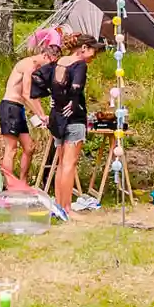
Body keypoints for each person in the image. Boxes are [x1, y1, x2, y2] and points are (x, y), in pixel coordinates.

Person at [0, 30, 61, 187]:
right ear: (45, 56)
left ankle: (23, 182)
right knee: (11, 149)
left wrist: (43, 115)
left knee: (29, 147)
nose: (52, 66)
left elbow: (34, 96)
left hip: (19, 109)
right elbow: (26, 94)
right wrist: (40, 114)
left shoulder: (38, 69)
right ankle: (9, 185)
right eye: (52, 62)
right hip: (9, 107)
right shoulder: (29, 64)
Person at [49, 33, 99, 216]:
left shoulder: (59, 62)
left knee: (61, 164)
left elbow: (45, 82)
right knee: (70, 164)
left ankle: (58, 206)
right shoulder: (79, 65)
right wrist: (72, 101)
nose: (94, 55)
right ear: (84, 48)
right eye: (93, 50)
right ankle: (68, 209)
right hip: (74, 118)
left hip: (57, 118)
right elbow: (76, 88)